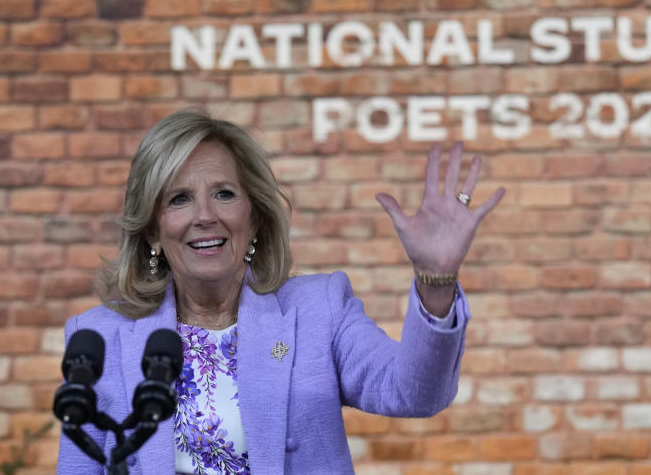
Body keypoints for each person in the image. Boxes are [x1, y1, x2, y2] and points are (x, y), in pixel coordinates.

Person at [55, 108, 504, 475]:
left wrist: (435, 279)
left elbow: (414, 392)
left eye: (225, 194)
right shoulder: (99, 338)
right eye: (179, 199)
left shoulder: (319, 309)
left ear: (255, 217)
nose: (205, 216)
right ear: (153, 230)